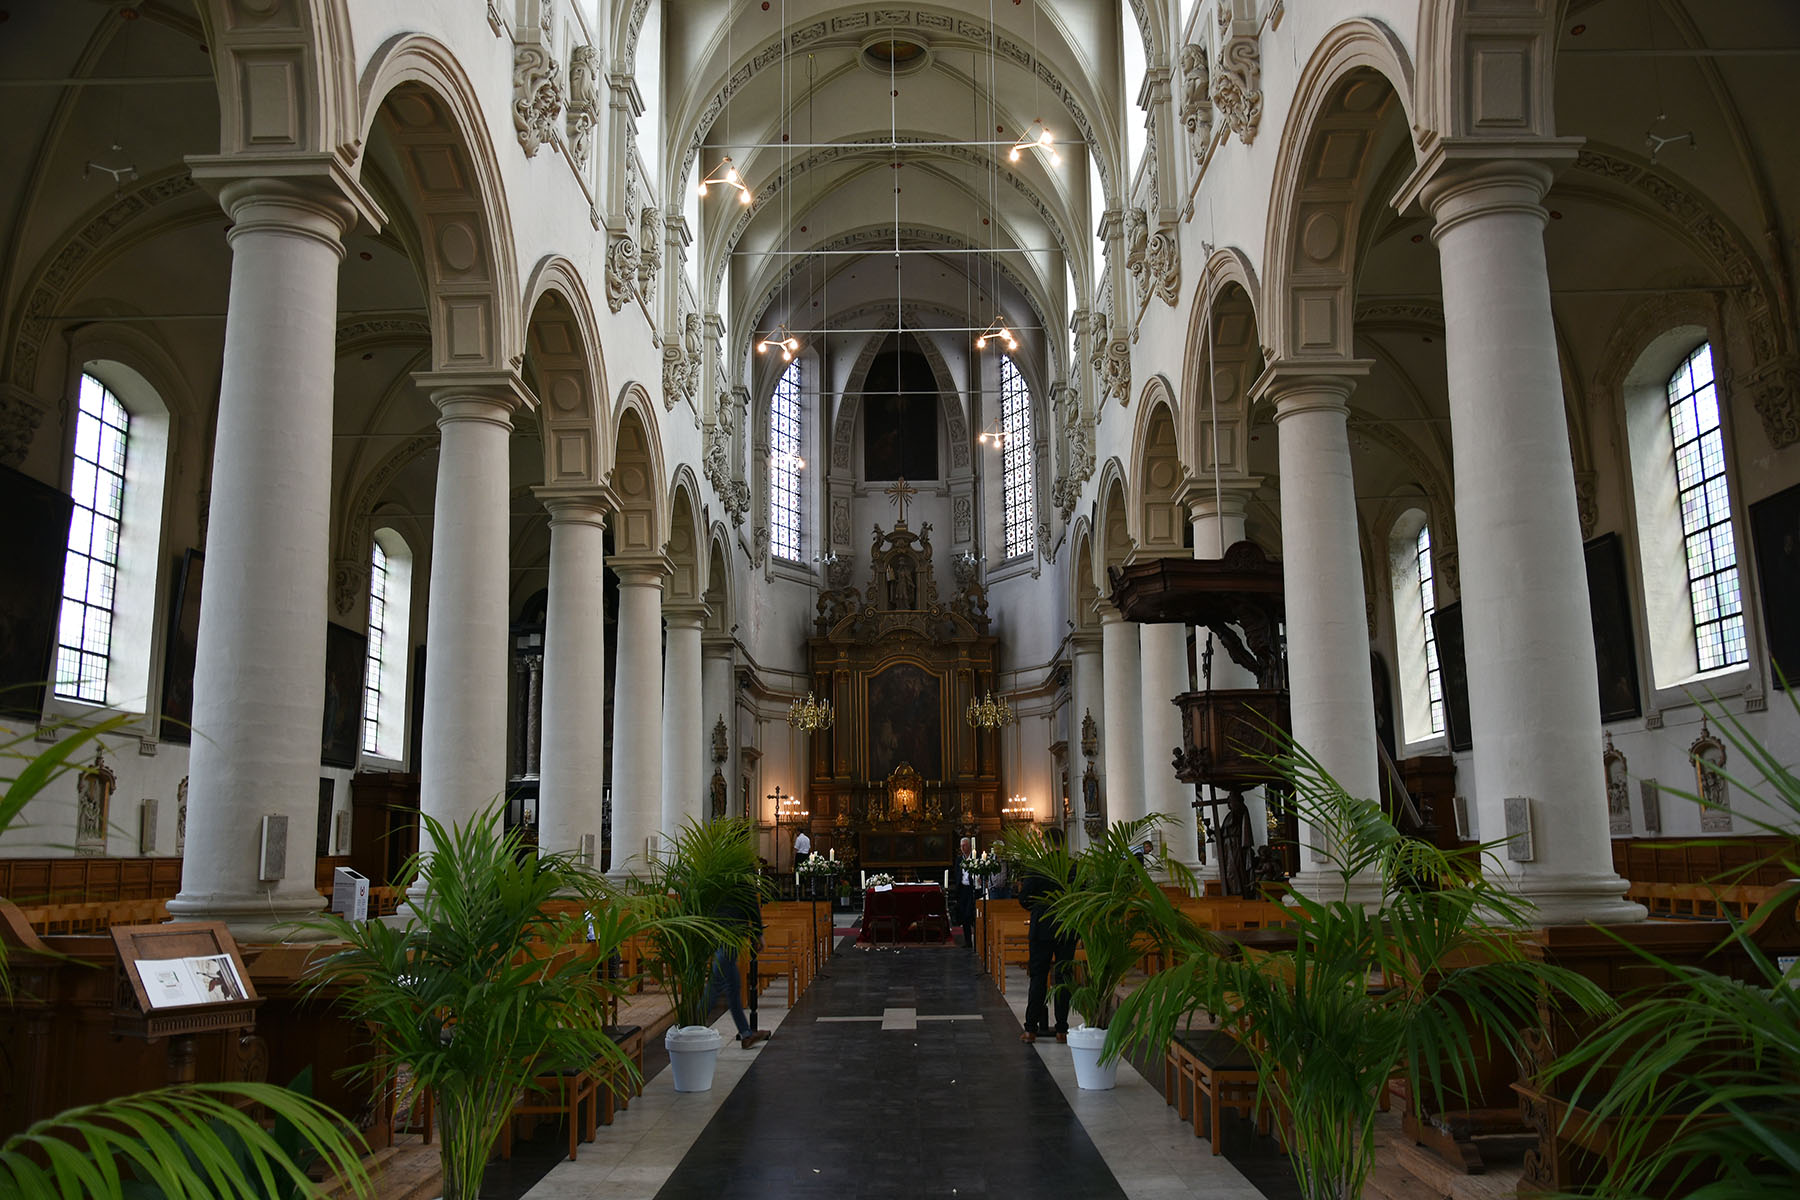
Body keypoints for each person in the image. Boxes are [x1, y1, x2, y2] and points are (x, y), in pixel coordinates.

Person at [1017, 826, 1077, 1043]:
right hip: (1067, 927)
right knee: (1063, 977)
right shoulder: (1073, 865)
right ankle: (1062, 1029)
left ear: (1046, 843)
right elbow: (1082, 893)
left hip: (1042, 928)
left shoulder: (1038, 866)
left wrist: (1039, 908)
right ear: (1064, 842)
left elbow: (1023, 897)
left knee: (1039, 977)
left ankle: (1031, 1029)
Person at [704, 890, 771, 1050]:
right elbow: (750, 899)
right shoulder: (741, 867)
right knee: (715, 984)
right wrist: (757, 933)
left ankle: (746, 1033)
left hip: (715, 928)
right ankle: (689, 1030)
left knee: (733, 987)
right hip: (732, 929)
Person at [952, 837, 979, 949]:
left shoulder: (976, 858)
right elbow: (957, 873)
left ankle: (977, 941)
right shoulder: (959, 859)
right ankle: (968, 942)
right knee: (964, 916)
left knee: (970, 915)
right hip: (962, 889)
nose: (962, 848)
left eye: (965, 845)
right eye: (961, 846)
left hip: (972, 889)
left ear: (970, 846)